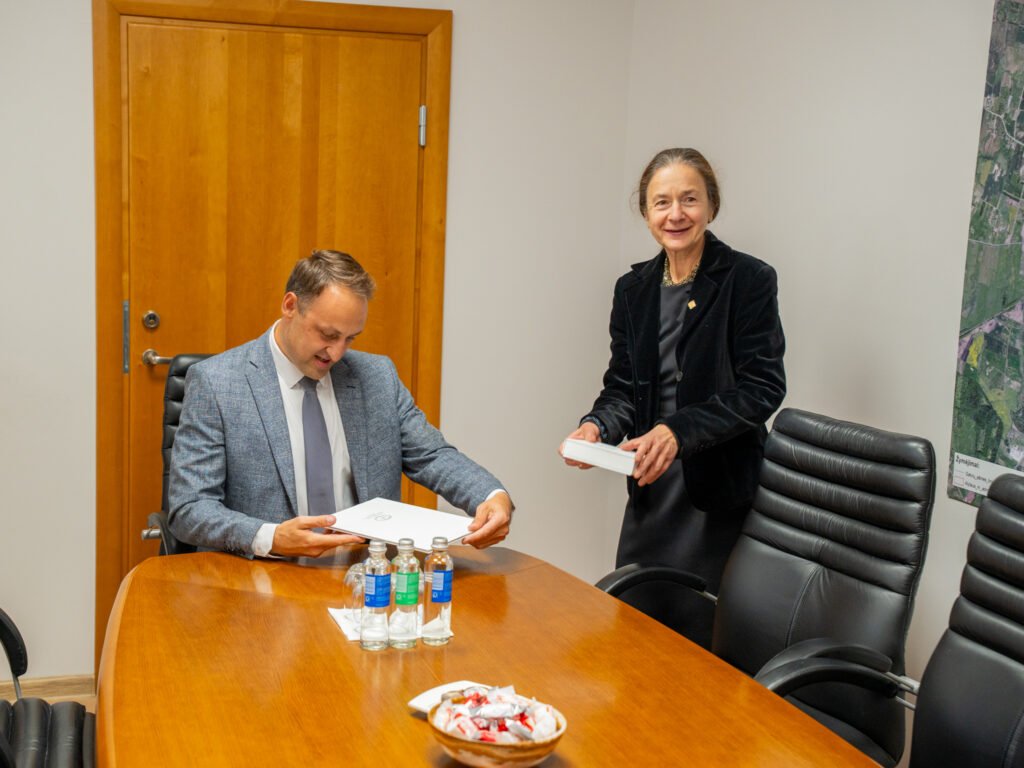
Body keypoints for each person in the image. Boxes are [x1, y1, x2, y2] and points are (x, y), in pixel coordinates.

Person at [561, 148, 785, 646]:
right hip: (651, 486)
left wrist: (677, 431)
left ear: (711, 206)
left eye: (690, 199)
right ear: (646, 212)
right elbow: (623, 385)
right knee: (636, 628)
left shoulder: (748, 280)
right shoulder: (632, 289)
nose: (675, 214)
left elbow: (762, 387)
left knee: (702, 643)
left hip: (717, 490)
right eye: (661, 202)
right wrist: (597, 425)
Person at [169, 249, 513, 558]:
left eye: (350, 338)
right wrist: (271, 537)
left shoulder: (376, 376)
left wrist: (490, 495)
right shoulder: (217, 383)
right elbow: (190, 508)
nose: (336, 353)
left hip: (367, 574)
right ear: (290, 306)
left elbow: (432, 455)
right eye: (328, 335)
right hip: (263, 574)